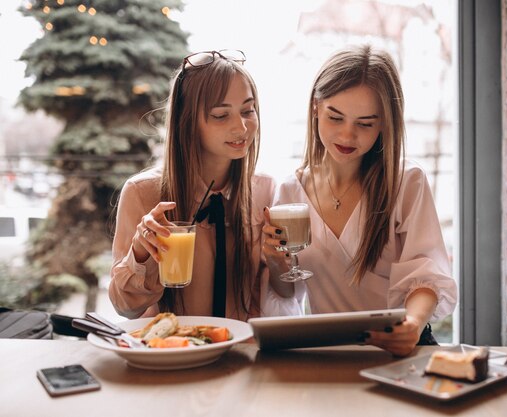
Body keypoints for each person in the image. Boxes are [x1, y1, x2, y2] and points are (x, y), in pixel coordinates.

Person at [262, 44, 457, 356]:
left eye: (365, 123)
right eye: (335, 117)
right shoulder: (291, 192)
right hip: (328, 354)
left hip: (401, 349)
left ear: (384, 124)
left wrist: (412, 325)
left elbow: (427, 279)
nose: (347, 136)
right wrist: (273, 259)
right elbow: (288, 291)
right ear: (316, 107)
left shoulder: (406, 183)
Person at [110, 49, 287, 321]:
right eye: (220, 115)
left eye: (248, 110)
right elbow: (125, 308)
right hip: (168, 352)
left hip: (240, 352)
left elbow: (283, 292)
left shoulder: (264, 189)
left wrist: (278, 260)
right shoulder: (142, 192)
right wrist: (141, 252)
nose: (241, 127)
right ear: (188, 122)